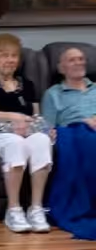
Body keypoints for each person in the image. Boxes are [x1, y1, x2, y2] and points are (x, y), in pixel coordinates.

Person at [0, 34, 52, 233]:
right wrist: (14, 117)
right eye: (4, 55)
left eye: (14, 55)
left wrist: (47, 130)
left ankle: (36, 208)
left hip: (23, 131)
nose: (10, 60)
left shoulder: (27, 84)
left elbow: (36, 115)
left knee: (41, 140)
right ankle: (13, 209)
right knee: (15, 142)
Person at [42, 47, 96, 239]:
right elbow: (47, 126)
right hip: (73, 131)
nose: (79, 63)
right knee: (86, 140)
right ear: (61, 67)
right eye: (72, 60)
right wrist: (85, 122)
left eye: (81, 59)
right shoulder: (53, 94)